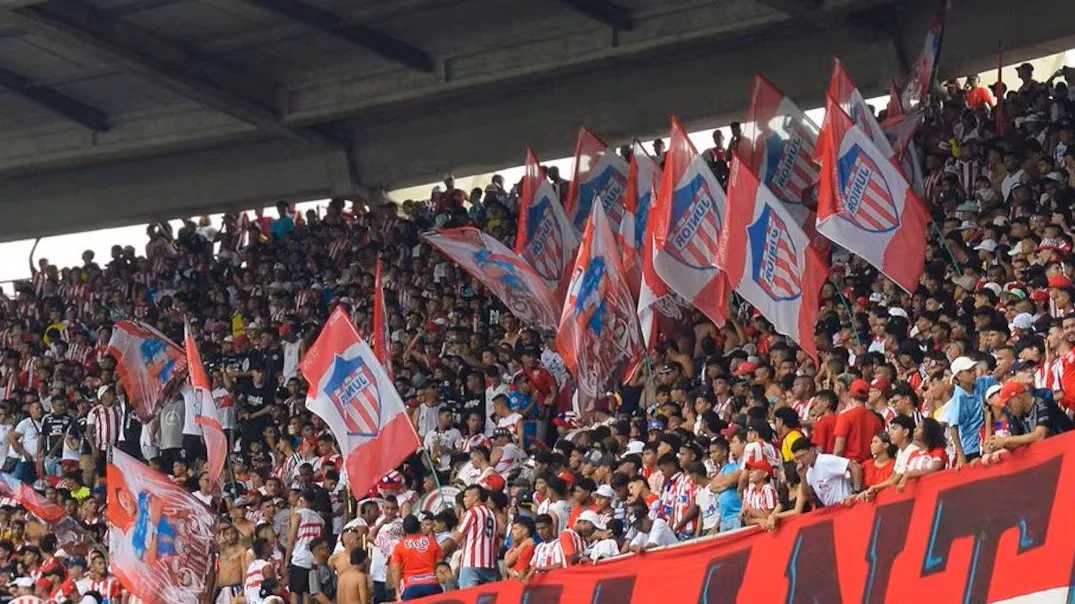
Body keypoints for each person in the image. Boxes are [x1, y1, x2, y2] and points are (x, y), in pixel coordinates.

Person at [450, 486, 499, 588]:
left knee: (469, 599)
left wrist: (460, 521)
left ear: (475, 497)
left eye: (466, 496)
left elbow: (457, 537)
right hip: (489, 564)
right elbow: (496, 541)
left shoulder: (472, 512)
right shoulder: (492, 514)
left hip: (471, 563)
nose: (464, 499)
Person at [389, 515, 443, 601]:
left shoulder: (399, 547)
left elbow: (395, 569)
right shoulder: (432, 542)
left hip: (411, 588)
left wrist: (397, 591)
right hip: (432, 585)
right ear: (419, 527)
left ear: (404, 529)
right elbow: (440, 564)